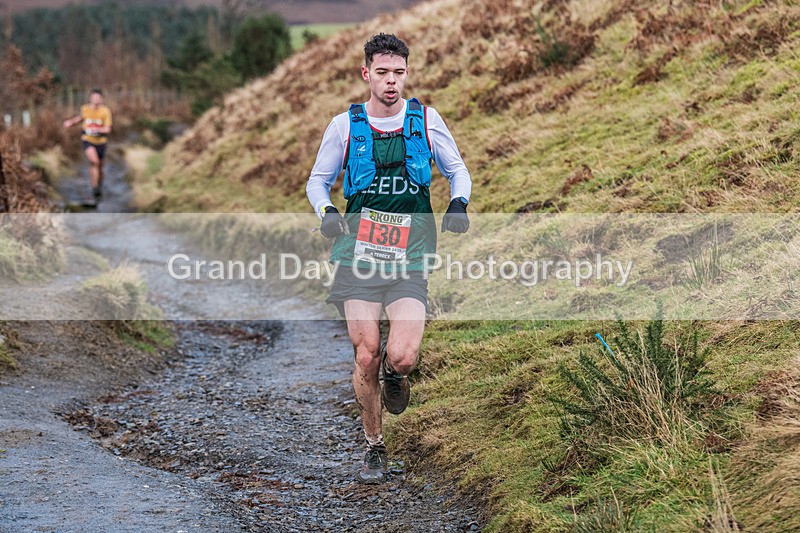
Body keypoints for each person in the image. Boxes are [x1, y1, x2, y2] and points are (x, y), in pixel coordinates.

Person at [306, 33, 472, 484]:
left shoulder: (426, 120)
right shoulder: (345, 126)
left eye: (398, 72)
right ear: (367, 74)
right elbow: (317, 181)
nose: (391, 81)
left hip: (409, 257)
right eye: (382, 72)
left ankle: (396, 377)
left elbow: (457, 169)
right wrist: (326, 212)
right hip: (357, 256)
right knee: (367, 356)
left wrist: (459, 202)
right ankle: (374, 446)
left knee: (401, 356)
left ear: (406, 73)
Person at [63, 88, 112, 201]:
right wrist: (70, 122)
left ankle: (99, 185)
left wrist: (97, 130)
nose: (96, 100)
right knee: (94, 161)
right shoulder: (85, 109)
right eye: (94, 98)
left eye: (98, 98)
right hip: (87, 140)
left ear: (101, 99)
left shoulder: (105, 111)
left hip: (101, 142)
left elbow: (108, 129)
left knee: (99, 166)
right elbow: (81, 118)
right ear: (90, 98)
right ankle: (94, 188)